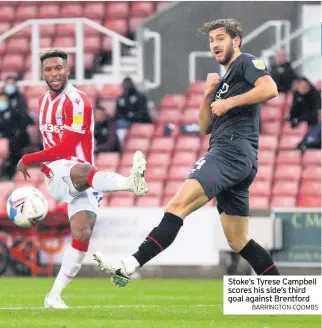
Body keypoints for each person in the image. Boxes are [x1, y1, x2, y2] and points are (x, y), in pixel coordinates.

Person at [93, 18, 281, 287]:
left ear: (235, 40)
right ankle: (284, 297)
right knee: (238, 240)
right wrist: (208, 96)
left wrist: (228, 102)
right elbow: (205, 126)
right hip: (238, 157)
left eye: (220, 38)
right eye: (211, 40)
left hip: (230, 151)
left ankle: (129, 265)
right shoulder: (224, 79)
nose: (215, 44)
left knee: (176, 207)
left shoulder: (246, 62)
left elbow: (270, 88)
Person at [15, 49, 149, 308]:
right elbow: (61, 153)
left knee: (82, 234)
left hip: (84, 176)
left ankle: (53, 296)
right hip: (58, 174)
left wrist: (28, 158)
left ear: (68, 70)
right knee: (84, 169)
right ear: (42, 73)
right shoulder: (43, 101)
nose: (54, 73)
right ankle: (128, 183)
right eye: (48, 69)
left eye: (58, 68)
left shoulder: (78, 102)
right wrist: (32, 159)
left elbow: (67, 148)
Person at [0, 93, 32, 175]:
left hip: (19, 138)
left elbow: (26, 121)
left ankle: (15, 169)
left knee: (14, 144)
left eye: (3, 100)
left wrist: (18, 131)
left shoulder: (16, 111)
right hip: (5, 139)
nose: (0, 103)